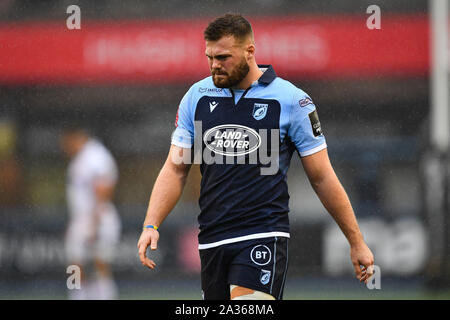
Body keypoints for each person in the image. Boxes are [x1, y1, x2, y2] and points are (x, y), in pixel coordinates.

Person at [137, 13, 374, 300]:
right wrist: (151, 224)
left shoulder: (292, 100)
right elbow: (176, 169)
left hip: (262, 234)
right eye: (210, 57)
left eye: (223, 57)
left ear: (250, 51)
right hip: (212, 240)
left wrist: (356, 241)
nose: (215, 65)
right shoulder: (195, 97)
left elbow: (322, 177)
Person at [61, 126, 121, 300]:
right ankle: (77, 296)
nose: (65, 147)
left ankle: (105, 297)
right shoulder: (80, 158)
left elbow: (103, 188)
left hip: (97, 217)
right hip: (81, 218)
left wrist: (95, 223)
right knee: (75, 263)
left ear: (76, 136)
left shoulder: (95, 155)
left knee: (100, 264)